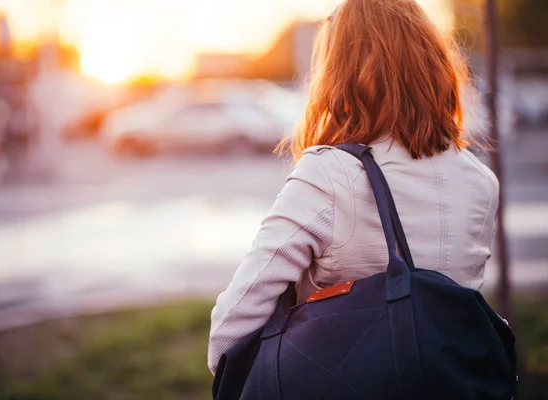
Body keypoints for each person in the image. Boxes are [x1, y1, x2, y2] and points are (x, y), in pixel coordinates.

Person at [208, 0, 498, 375]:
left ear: (341, 73)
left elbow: (230, 331)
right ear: (434, 65)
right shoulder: (480, 181)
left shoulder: (330, 173)